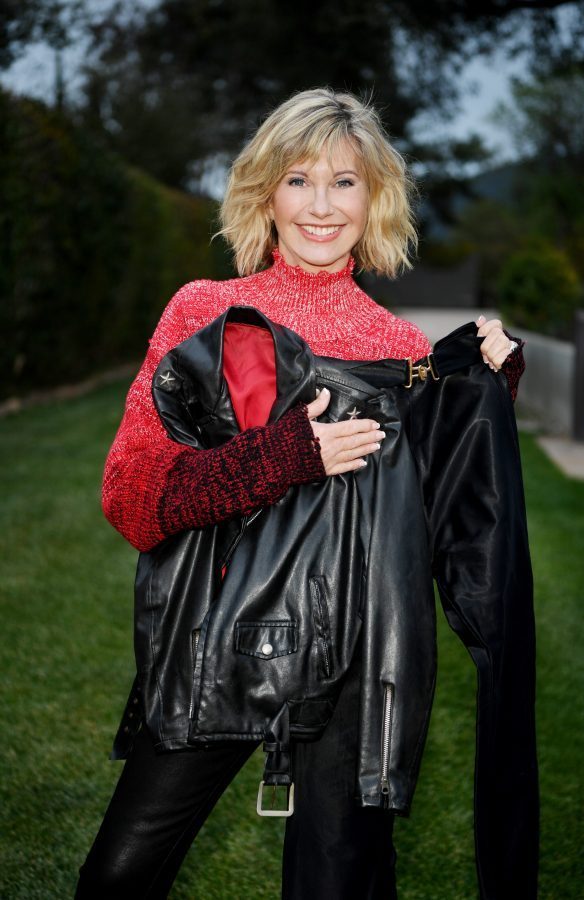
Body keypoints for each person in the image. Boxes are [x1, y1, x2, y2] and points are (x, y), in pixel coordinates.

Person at [75, 87, 524, 899]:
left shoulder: (401, 347)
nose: (322, 206)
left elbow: (429, 515)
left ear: (375, 196)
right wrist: (284, 455)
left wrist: (485, 390)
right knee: (119, 874)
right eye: (298, 180)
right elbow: (133, 498)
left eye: (345, 182)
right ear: (264, 193)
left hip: (359, 655)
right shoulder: (208, 313)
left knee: (339, 882)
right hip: (225, 641)